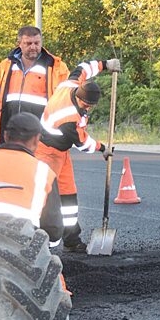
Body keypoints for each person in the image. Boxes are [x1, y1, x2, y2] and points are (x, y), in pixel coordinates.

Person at [35, 60, 120, 252]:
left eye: (91, 106)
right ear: (80, 99)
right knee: (43, 199)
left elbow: (83, 68)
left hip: (61, 153)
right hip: (45, 153)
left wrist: (106, 64)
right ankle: (36, 240)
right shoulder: (69, 118)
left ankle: (71, 240)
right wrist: (102, 148)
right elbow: (82, 143)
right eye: (86, 105)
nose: (87, 108)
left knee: (68, 196)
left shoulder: (71, 84)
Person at [0, 112, 64, 244]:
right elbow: (54, 231)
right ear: (36, 140)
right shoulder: (44, 173)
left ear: (5, 135)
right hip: (21, 242)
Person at [0, 26, 70, 145]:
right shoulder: (6, 65)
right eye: (28, 43)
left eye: (37, 43)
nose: (33, 47)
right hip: (10, 133)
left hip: (41, 136)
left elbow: (66, 100)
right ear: (19, 44)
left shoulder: (56, 67)